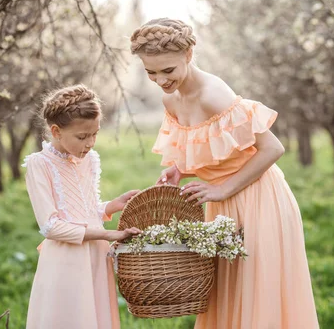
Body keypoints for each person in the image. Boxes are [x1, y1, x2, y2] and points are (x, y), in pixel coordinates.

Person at [130, 19, 320, 328]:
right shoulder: (171, 100)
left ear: (189, 55)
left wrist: (223, 190)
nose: (161, 80)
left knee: (258, 295)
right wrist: (179, 169)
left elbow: (272, 149)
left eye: (168, 70)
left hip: (259, 200)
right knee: (228, 294)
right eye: (151, 72)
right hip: (222, 207)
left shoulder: (213, 94)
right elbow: (215, 147)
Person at [22, 84, 141, 329]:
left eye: (95, 134)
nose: (90, 143)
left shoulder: (89, 160)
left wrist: (111, 206)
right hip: (66, 259)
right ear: (56, 131)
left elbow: (85, 211)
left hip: (96, 255)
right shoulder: (39, 165)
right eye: (82, 137)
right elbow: (51, 226)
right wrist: (109, 234)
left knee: (94, 318)